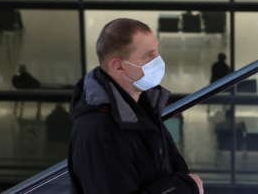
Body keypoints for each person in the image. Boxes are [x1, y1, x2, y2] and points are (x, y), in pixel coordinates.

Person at [68, 18, 203, 194]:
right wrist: (185, 188)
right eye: (148, 55)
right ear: (118, 67)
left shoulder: (142, 106)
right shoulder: (98, 131)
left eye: (157, 52)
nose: (158, 60)